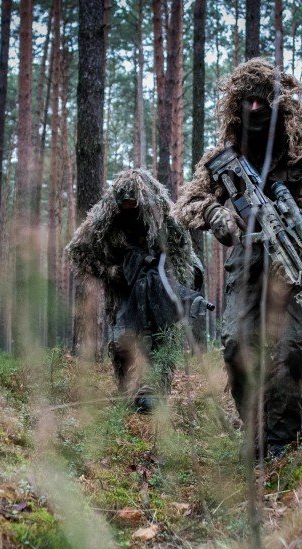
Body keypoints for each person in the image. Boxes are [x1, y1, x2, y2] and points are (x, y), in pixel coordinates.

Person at [173, 58, 302, 458]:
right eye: (247, 102)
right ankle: (254, 438)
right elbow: (188, 201)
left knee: (289, 352)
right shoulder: (225, 158)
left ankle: (281, 444)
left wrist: (296, 234)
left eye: (263, 103)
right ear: (236, 106)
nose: (254, 111)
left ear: (281, 108)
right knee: (237, 347)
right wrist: (215, 214)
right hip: (250, 266)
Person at [66, 168, 210, 413]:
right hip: (124, 292)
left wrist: (172, 282)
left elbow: (186, 257)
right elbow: (77, 251)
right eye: (126, 205)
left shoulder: (167, 220)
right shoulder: (104, 219)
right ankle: (128, 396)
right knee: (124, 344)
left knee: (162, 341)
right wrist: (110, 271)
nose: (131, 210)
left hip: (160, 291)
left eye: (136, 204)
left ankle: (154, 398)